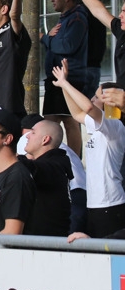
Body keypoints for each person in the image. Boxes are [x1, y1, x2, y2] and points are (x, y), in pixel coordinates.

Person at [52, 63, 125, 237]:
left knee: (110, 252)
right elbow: (77, 114)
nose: (92, 98)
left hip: (111, 203)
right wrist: (63, 84)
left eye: (96, 96)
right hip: (95, 203)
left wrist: (65, 84)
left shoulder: (114, 125)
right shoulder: (96, 126)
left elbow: (88, 108)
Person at [41, 0, 89, 156]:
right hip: (55, 78)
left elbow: (67, 45)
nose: (52, 0)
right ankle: (51, 160)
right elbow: (57, 44)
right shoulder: (65, 19)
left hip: (70, 78)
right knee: (51, 120)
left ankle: (75, 165)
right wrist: (49, 38)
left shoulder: (77, 18)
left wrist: (45, 38)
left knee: (70, 122)